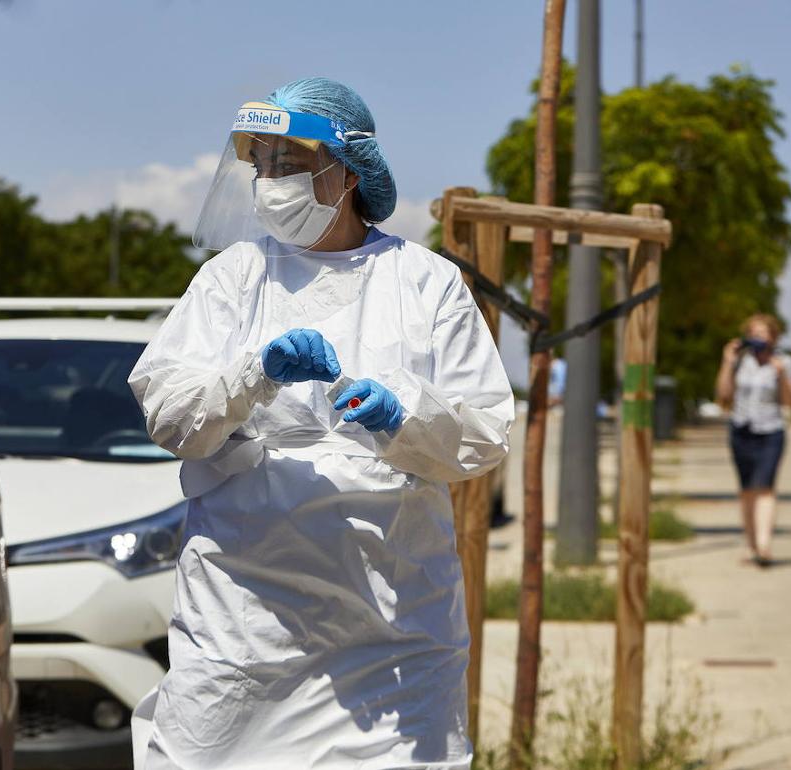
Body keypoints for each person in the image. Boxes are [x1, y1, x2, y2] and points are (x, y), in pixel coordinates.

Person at [127, 77, 514, 769]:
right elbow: (170, 417)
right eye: (263, 165)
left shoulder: (425, 284)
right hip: (244, 628)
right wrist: (252, 377)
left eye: (291, 165)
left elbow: (484, 434)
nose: (272, 183)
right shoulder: (231, 279)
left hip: (391, 632)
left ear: (350, 171)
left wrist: (407, 417)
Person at [714, 313, 791, 567]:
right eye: (753, 334)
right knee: (747, 490)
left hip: (771, 430)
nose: (758, 339)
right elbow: (723, 397)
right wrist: (727, 362)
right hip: (741, 429)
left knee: (766, 487)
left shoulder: (784, 362)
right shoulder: (740, 362)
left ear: (774, 337)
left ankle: (764, 546)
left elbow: (790, 402)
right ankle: (751, 546)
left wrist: (781, 374)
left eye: (763, 334)